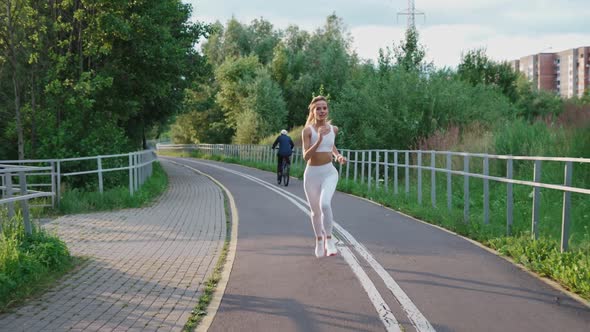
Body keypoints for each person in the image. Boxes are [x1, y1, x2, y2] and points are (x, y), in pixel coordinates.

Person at [301, 95, 347, 258]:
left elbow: (332, 144)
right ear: (313, 111)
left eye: (324, 107)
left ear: (327, 110)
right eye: (318, 108)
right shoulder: (307, 131)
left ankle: (329, 240)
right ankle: (319, 240)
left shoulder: (333, 129)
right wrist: (318, 139)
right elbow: (306, 156)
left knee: (325, 204)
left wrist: (338, 156)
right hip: (312, 175)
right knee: (315, 212)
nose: (322, 111)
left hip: (329, 172)